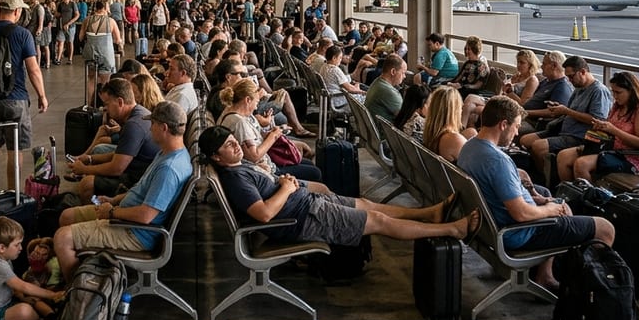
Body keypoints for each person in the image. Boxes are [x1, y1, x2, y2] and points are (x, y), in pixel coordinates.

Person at [201, 126, 479, 248]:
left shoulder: (238, 167)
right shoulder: (236, 179)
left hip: (304, 204)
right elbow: (263, 215)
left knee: (368, 204)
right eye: (228, 145)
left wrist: (291, 184)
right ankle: (453, 229)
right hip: (301, 218)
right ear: (216, 157)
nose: (236, 144)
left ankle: (428, 214)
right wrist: (285, 188)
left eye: (233, 140)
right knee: (377, 221)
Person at [457, 96, 615, 289]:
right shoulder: (497, 161)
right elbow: (521, 213)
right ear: (503, 124)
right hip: (517, 233)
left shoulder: (469, 147)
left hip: (487, 226)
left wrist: (537, 199)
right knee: (605, 227)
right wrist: (550, 209)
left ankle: (545, 275)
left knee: (545, 193)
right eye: (516, 126)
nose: (516, 132)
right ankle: (591, 291)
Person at [54, 101, 194, 281]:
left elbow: (146, 215)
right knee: (67, 216)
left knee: (62, 238)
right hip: (125, 217)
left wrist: (112, 212)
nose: (150, 129)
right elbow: (141, 190)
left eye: (153, 124)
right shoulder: (168, 153)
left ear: (164, 128)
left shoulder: (169, 169)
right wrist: (114, 200)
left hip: (134, 232)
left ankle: (76, 295)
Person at [0, 0, 48, 195]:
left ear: (0, 10)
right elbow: (33, 69)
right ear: (16, 11)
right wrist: (41, 95)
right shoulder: (22, 34)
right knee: (15, 148)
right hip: (16, 98)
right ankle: (12, 190)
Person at [555, 71, 639, 182]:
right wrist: (601, 128)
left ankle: (588, 197)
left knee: (581, 164)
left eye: (618, 92)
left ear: (631, 91)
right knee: (563, 156)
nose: (615, 96)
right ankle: (570, 192)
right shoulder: (618, 107)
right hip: (609, 149)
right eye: (613, 92)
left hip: (628, 157)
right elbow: (609, 131)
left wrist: (613, 130)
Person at [67, 78, 161, 202]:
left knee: (87, 183)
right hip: (139, 172)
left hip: (138, 180)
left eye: (107, 104)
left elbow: (117, 168)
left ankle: (92, 214)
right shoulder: (138, 113)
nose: (105, 108)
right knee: (93, 167)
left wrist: (84, 169)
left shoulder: (133, 125)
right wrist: (90, 158)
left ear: (120, 102)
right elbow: (121, 154)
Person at [520, 55, 612, 177]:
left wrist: (566, 111)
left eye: (571, 76)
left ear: (583, 72)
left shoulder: (598, 91)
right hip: (563, 129)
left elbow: (597, 120)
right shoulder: (578, 89)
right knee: (525, 140)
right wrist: (560, 109)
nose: (569, 80)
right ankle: (540, 172)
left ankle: (547, 179)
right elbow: (569, 110)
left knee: (538, 146)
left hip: (579, 135)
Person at [217, 78, 319, 182]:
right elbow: (254, 156)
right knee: (315, 172)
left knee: (308, 163)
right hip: (266, 171)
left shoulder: (234, 113)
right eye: (256, 102)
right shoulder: (239, 122)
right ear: (247, 100)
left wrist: (273, 130)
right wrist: (273, 136)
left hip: (266, 164)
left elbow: (255, 138)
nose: (256, 106)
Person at [463, 49, 540, 130]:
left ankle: (463, 130)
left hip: (509, 106)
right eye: (518, 62)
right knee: (470, 105)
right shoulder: (516, 76)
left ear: (530, 64)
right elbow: (502, 92)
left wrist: (509, 92)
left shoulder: (532, 80)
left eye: (522, 62)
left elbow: (523, 104)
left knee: (471, 99)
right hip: (500, 101)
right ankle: (468, 130)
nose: (519, 65)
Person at [519, 50, 573, 135]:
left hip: (534, 124)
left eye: (544, 64)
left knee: (505, 127)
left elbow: (552, 112)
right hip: (525, 117)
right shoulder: (546, 81)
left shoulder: (562, 87)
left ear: (554, 66)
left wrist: (525, 113)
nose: (541, 66)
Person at [79, 0, 123, 101]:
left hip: (90, 53)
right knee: (105, 82)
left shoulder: (87, 20)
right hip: (105, 55)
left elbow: (80, 37)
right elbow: (117, 40)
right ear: (104, 8)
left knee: (91, 79)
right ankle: (105, 105)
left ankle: (90, 103)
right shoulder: (110, 21)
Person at [423, 86, 466, 161]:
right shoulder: (453, 139)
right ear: (454, 111)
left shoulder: (430, 131)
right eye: (460, 107)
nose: (461, 110)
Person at [321, 45, 363, 110]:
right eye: (340, 58)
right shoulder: (335, 70)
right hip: (336, 99)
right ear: (334, 58)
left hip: (328, 97)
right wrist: (362, 91)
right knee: (364, 98)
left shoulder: (324, 66)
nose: (341, 60)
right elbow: (350, 89)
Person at [54, 0, 76, 65]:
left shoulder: (72, 4)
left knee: (70, 42)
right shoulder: (60, 5)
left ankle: (70, 59)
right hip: (62, 26)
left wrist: (68, 24)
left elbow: (77, 15)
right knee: (61, 42)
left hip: (71, 27)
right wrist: (56, 13)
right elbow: (58, 14)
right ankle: (58, 59)